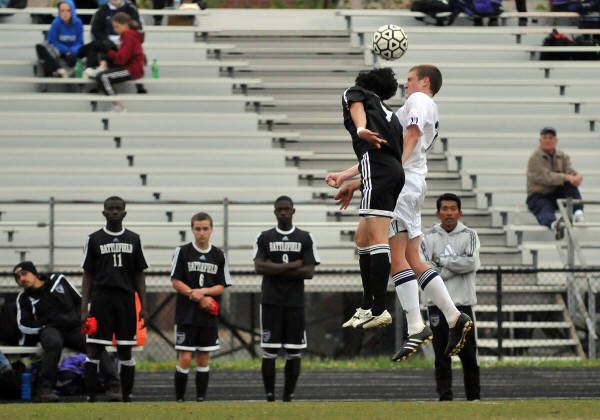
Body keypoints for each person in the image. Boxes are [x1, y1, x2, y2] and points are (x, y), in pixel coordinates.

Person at [328, 65, 473, 361]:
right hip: (413, 180)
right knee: (412, 258)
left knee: (395, 257)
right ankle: (453, 316)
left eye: (409, 79)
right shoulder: (409, 109)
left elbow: (410, 138)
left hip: (404, 183)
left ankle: (416, 326)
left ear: (425, 82)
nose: (405, 85)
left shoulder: (419, 101)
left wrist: (394, 170)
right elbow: (384, 152)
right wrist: (352, 178)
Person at [333, 68, 405, 331]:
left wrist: (361, 128)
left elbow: (356, 107)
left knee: (377, 239)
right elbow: (383, 154)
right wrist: (346, 176)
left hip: (378, 172)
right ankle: (366, 306)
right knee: (362, 239)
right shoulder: (390, 116)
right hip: (388, 172)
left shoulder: (356, 94)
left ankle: (379, 309)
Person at [14, 261, 119, 402]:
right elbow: (23, 325)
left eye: (24, 274)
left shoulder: (58, 280)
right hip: (50, 329)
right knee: (54, 343)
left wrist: (78, 319)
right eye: (18, 277)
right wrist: (45, 324)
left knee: (94, 342)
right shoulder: (23, 298)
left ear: (34, 273)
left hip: (73, 328)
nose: (22, 279)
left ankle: (113, 385)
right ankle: (45, 389)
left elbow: (79, 301)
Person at [81, 196, 148, 402]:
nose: (115, 212)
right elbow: (88, 274)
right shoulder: (94, 239)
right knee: (94, 348)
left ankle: (126, 396)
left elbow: (139, 274)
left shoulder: (134, 239)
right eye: (110, 209)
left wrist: (144, 306)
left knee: (125, 349)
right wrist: (84, 307)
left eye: (118, 208)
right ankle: (90, 397)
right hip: (101, 299)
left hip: (126, 300)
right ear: (104, 213)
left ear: (124, 213)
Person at [253, 196, 320, 402]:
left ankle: (288, 398)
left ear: (293, 211)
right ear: (275, 212)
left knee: (294, 351)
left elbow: (309, 272)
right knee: (269, 351)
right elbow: (259, 267)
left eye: (286, 209)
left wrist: (273, 268)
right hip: (270, 302)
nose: (283, 212)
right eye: (279, 209)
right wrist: (292, 266)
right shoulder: (264, 237)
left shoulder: (305, 238)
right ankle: (270, 398)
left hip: (295, 303)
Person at [421, 193, 481, 401]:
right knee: (441, 355)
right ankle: (445, 397)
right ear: (438, 213)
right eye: (445, 209)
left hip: (462, 304)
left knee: (469, 355)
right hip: (437, 305)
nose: (449, 213)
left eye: (453, 209)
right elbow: (425, 268)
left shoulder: (470, 235)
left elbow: (471, 263)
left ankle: (474, 397)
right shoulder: (426, 237)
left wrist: (441, 262)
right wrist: (456, 264)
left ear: (460, 213)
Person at [171, 212, 232, 402]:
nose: (202, 233)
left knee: (203, 358)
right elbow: (175, 281)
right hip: (186, 314)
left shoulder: (219, 255)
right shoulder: (182, 252)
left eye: (205, 228)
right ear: (192, 229)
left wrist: (204, 292)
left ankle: (200, 400)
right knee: (185, 358)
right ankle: (180, 399)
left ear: (211, 229)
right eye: (198, 229)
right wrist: (196, 296)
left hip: (207, 315)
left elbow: (221, 286)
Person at [526, 126, 584, 240]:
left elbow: (570, 171)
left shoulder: (562, 156)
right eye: (545, 137)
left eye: (551, 137)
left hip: (556, 192)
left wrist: (577, 177)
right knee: (543, 208)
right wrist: (566, 177)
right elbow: (544, 177)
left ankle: (578, 212)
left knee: (569, 185)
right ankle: (555, 225)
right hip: (539, 194)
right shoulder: (534, 158)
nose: (548, 140)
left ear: (556, 140)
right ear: (540, 140)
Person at [91, 12, 145, 112]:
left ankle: (118, 106)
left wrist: (108, 52)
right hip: (130, 66)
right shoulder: (129, 35)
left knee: (103, 77)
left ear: (125, 25)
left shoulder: (128, 35)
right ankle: (102, 67)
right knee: (103, 68)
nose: (115, 30)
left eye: (117, 27)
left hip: (132, 69)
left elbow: (121, 59)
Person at [35, 0, 83, 78]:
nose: (65, 13)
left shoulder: (78, 23)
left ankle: (63, 72)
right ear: (59, 12)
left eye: (68, 10)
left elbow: (79, 42)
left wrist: (71, 50)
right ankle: (58, 70)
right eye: (62, 11)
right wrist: (65, 50)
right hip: (59, 51)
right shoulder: (56, 22)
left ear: (72, 11)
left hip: (72, 53)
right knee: (41, 46)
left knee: (78, 54)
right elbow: (52, 41)